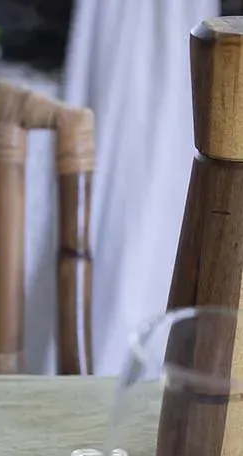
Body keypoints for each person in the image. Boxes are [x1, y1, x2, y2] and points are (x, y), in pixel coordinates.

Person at [62, 0, 219, 374]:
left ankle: (136, 342)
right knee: (116, 148)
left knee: (166, 162)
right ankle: (94, 344)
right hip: (124, 19)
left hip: (178, 17)